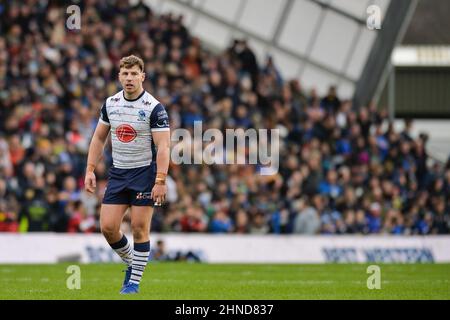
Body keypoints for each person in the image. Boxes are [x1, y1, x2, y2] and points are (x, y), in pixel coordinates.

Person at [84, 55, 170, 294]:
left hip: (144, 173)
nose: (129, 78)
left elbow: (163, 147)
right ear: (119, 76)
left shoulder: (154, 108)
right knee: (108, 228)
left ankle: (133, 282)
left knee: (140, 227)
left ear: (143, 76)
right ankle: (134, 263)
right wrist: (90, 169)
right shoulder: (110, 103)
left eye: (134, 74)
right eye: (125, 73)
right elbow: (99, 137)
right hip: (119, 173)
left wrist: (160, 180)